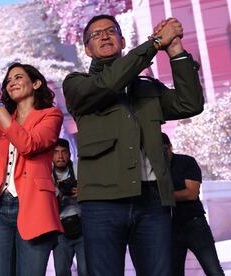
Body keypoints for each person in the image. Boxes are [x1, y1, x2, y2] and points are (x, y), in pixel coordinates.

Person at [63, 14, 204, 275]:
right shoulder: (77, 84)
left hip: (152, 200)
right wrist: (154, 43)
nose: (104, 36)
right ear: (87, 49)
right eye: (96, 34)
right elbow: (109, 82)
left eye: (111, 31)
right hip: (102, 201)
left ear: (123, 40)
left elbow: (190, 103)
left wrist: (174, 50)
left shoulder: (148, 88)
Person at [0, 62, 64, 276]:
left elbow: (28, 145)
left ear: (36, 83)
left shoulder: (51, 115)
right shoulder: (2, 118)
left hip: (33, 204)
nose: (11, 83)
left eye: (18, 77)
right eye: (8, 80)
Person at [162, 133, 224, 276]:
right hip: (169, 227)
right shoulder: (152, 168)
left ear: (170, 147)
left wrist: (163, 197)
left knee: (213, 270)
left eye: (163, 149)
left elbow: (191, 193)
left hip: (194, 224)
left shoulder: (186, 162)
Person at [52, 138, 87, 276]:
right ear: (51, 155)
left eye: (64, 152)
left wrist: (84, 192)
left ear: (69, 154)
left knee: (85, 271)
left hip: (82, 225)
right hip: (60, 229)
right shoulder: (47, 175)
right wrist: (58, 193)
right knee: (61, 272)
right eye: (56, 152)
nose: (60, 156)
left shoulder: (80, 170)